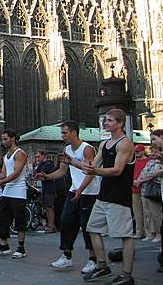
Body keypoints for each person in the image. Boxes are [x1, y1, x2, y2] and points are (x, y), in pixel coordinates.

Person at [35, 121, 99, 274]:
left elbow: (90, 172)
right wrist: (46, 176)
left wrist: (81, 189)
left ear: (74, 133)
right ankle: (66, 256)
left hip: (88, 192)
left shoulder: (87, 149)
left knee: (86, 226)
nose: (62, 136)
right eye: (62, 133)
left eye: (64, 133)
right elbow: (62, 171)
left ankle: (93, 259)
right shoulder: (67, 149)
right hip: (74, 190)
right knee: (66, 221)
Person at [82, 109, 135, 284]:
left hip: (119, 196)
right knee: (92, 228)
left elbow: (118, 170)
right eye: (105, 120)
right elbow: (92, 165)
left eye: (110, 120)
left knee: (125, 236)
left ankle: (127, 275)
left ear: (120, 123)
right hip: (103, 196)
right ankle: (102, 266)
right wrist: (71, 162)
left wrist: (95, 170)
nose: (105, 123)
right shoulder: (105, 144)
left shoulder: (125, 144)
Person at [0, 129, 29, 259]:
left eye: (5, 139)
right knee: (2, 218)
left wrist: (1, 183)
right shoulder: (7, 155)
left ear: (13, 139)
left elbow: (16, 173)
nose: (3, 142)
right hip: (8, 191)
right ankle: (4, 245)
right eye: (3, 139)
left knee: (19, 220)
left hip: (18, 191)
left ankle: (21, 247)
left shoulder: (20, 153)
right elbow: (3, 174)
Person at [134, 144, 162, 243]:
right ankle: (149, 233)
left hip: (154, 190)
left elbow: (153, 174)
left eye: (155, 151)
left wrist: (140, 181)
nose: (153, 153)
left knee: (155, 214)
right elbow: (143, 173)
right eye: (152, 151)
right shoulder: (150, 162)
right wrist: (139, 180)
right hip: (145, 190)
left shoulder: (158, 163)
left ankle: (158, 234)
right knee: (147, 213)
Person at [34, 150, 57, 233]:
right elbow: (37, 172)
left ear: (43, 156)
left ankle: (51, 225)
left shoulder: (48, 164)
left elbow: (44, 174)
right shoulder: (41, 165)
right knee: (46, 208)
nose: (37, 158)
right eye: (36, 157)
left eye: (38, 156)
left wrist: (41, 175)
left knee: (49, 207)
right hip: (44, 188)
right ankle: (50, 224)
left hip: (50, 188)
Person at [132, 144, 150, 239]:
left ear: (143, 151)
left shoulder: (148, 161)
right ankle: (139, 232)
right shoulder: (133, 162)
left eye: (138, 151)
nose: (137, 153)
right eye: (135, 151)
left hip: (145, 189)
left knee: (147, 212)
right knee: (137, 212)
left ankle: (149, 233)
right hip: (134, 189)